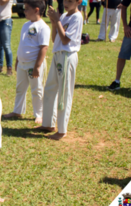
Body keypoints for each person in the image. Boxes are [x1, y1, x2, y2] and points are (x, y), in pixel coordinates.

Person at [37, 1, 83, 140]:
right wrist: (54, 21)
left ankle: (62, 130)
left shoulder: (77, 17)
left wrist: (57, 20)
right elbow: (55, 38)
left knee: (64, 93)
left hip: (67, 56)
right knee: (50, 89)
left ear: (78, 2)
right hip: (58, 55)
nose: (67, 3)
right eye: (65, 0)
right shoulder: (63, 16)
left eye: (71, 1)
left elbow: (65, 40)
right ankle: (48, 123)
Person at [3, 0, 50, 124]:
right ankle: (17, 111)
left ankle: (39, 114)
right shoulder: (25, 25)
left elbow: (44, 47)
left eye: (27, 9)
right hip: (22, 64)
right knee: (20, 88)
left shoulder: (43, 27)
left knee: (37, 89)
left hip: (34, 64)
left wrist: (37, 66)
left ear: (36, 10)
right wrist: (18, 60)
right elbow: (22, 44)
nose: (24, 11)